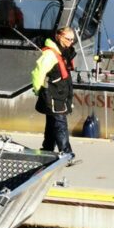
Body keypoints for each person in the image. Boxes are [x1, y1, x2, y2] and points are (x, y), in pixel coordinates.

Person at [32, 25, 77, 162]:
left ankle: (47, 149)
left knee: (52, 122)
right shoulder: (50, 54)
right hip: (53, 94)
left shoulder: (64, 52)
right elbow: (38, 72)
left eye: (72, 40)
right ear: (59, 36)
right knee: (60, 123)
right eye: (68, 39)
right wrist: (38, 89)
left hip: (60, 93)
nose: (70, 42)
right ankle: (66, 152)